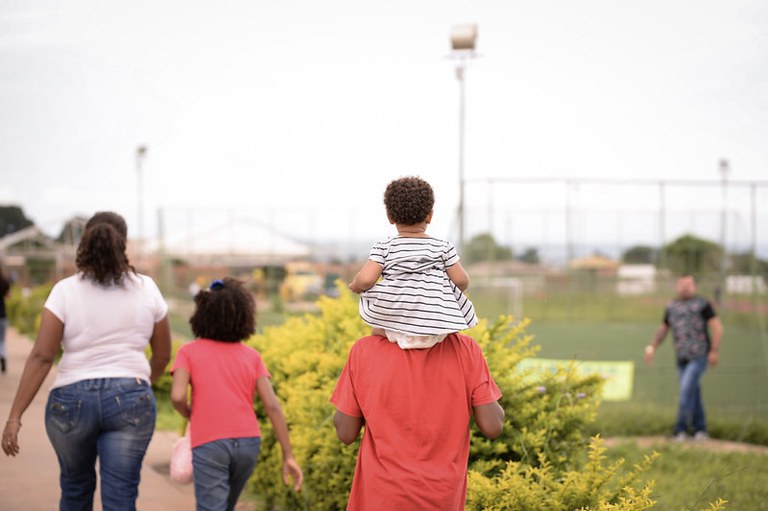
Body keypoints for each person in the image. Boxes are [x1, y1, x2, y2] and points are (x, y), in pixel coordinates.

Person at [1, 211, 172, 510]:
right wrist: (139, 386)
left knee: (75, 489)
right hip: (131, 396)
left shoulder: (65, 291)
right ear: (123, 244)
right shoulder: (147, 289)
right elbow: (162, 354)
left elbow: (42, 356)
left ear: (85, 242)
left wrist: (15, 416)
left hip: (71, 401)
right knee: (120, 497)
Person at [330, 331, 504, 509]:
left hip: (380, 496)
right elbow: (493, 425)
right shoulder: (465, 348)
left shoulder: (364, 350)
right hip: (443, 497)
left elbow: (346, 433)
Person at [171, 277, 303, 511]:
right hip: (247, 443)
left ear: (201, 314)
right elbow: (272, 406)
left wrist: (191, 414)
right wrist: (288, 454)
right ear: (244, 317)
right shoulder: (252, 357)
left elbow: (178, 396)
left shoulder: (188, 352)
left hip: (209, 442)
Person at [349, 176, 477, 349]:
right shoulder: (442, 247)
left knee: (376, 329)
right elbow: (462, 281)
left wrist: (356, 285)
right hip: (436, 326)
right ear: (429, 216)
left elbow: (365, 280)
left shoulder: (385, 247)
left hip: (394, 325)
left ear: (390, 217)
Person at [644, 274, 723, 441]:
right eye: (682, 284)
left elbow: (717, 327)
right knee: (693, 392)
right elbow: (663, 329)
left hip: (699, 356)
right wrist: (652, 348)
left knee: (686, 390)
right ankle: (700, 430)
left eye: (689, 284)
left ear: (695, 286)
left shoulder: (702, 304)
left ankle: (679, 431)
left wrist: (714, 350)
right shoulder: (671, 306)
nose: (685, 287)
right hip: (681, 358)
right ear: (677, 286)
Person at [0, 261, 11, 374]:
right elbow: (9, 296)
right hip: (2, 315)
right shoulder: (4, 281)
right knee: (2, 340)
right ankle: (2, 356)